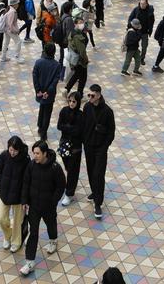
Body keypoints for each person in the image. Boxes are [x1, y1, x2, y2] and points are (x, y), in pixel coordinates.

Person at [20, 140, 66, 276]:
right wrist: (24, 200)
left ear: (45, 153)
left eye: (38, 153)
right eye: (34, 153)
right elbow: (26, 183)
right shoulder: (32, 165)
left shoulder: (55, 168)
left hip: (48, 206)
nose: (35, 156)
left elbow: (61, 186)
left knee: (51, 224)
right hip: (34, 206)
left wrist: (53, 201)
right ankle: (29, 262)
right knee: (33, 233)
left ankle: (53, 240)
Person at [82, 84, 115, 219]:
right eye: (88, 95)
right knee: (90, 171)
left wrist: (104, 146)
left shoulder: (107, 111)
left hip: (100, 148)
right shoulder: (87, 107)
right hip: (88, 146)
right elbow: (83, 124)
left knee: (98, 174)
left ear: (99, 95)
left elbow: (111, 132)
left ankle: (98, 202)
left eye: (92, 95)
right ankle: (94, 192)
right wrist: (84, 140)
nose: (90, 97)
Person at [0, 136, 30, 253]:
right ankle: (7, 235)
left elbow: (27, 181)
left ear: (19, 149)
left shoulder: (25, 160)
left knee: (17, 221)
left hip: (19, 197)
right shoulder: (4, 156)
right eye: (11, 149)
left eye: (15, 150)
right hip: (5, 194)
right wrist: (0, 184)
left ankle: (16, 242)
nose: (12, 152)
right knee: (1, 218)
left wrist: (25, 199)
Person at [57, 90, 85, 206]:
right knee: (68, 168)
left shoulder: (81, 115)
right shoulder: (64, 111)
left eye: (74, 101)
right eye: (70, 101)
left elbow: (79, 131)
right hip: (64, 145)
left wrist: (67, 128)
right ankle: (69, 186)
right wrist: (70, 128)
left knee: (73, 171)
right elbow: (59, 126)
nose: (72, 103)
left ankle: (69, 194)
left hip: (75, 148)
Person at [33, 42, 62, 139]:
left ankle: (40, 127)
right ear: (54, 52)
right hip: (50, 94)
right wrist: (48, 92)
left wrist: (38, 91)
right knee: (47, 112)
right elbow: (55, 81)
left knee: (42, 108)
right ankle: (43, 131)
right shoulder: (57, 65)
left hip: (40, 92)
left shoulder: (38, 62)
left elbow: (35, 77)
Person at [128, 0, 154, 66]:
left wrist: (150, 30)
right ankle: (135, 56)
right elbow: (130, 19)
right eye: (141, 3)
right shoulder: (136, 10)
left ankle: (142, 58)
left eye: (144, 4)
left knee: (144, 46)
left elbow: (152, 21)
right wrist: (130, 27)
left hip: (145, 32)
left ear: (147, 3)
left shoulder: (150, 11)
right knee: (134, 45)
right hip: (136, 32)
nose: (142, 5)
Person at [64, 17, 89, 96]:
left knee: (77, 75)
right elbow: (82, 51)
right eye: (80, 23)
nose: (82, 24)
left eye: (82, 22)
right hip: (79, 61)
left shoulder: (73, 32)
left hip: (74, 59)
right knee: (83, 78)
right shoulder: (78, 36)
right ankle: (79, 95)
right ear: (75, 24)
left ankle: (67, 90)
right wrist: (86, 60)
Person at [0, 0, 24, 65]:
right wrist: (16, 31)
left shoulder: (10, 10)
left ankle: (3, 57)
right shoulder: (13, 12)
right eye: (17, 3)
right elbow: (10, 24)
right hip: (10, 30)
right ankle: (17, 57)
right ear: (14, 5)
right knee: (18, 42)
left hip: (6, 30)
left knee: (6, 42)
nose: (18, 4)